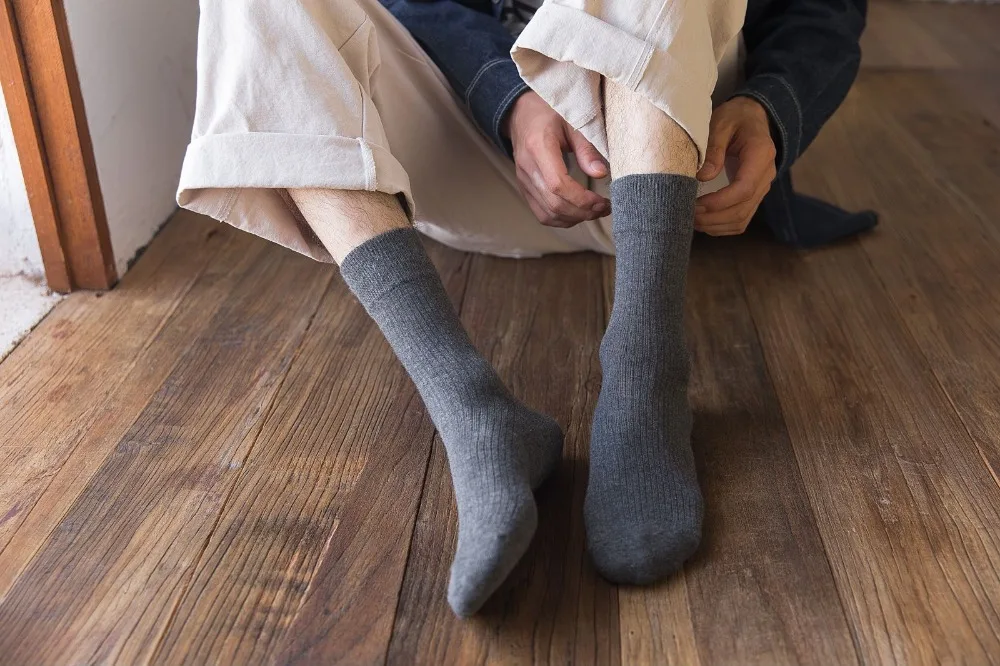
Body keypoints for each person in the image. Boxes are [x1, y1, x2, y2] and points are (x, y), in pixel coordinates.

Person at [177, 0, 872, 617]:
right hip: (494, 158)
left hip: (684, 152)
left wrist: (771, 106)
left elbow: (826, 11)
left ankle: (646, 375)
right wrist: (508, 96)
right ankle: (474, 413)